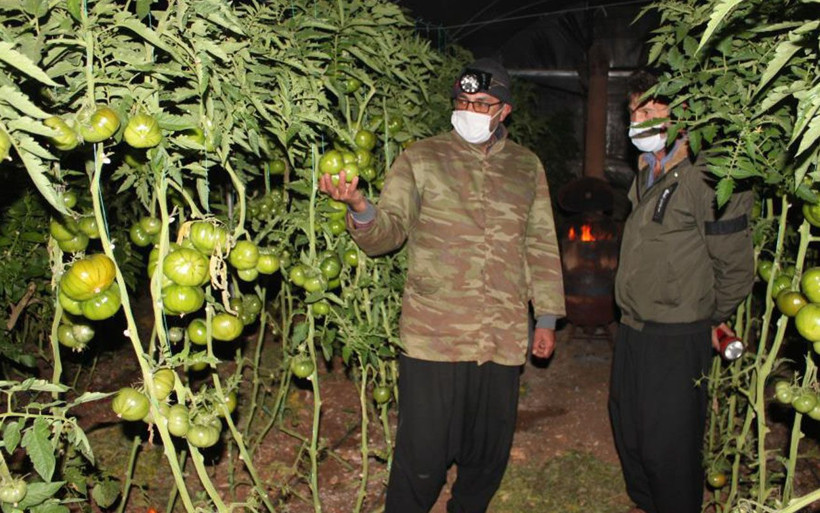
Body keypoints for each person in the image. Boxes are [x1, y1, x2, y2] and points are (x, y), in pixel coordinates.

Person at [318, 58, 565, 513]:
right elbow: (388, 233)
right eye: (463, 102)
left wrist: (546, 318)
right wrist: (359, 207)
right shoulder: (422, 159)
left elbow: (541, 243)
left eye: (482, 103)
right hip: (435, 333)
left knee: (488, 450)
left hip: (502, 333)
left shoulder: (526, 167)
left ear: (504, 111)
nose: (469, 110)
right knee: (423, 454)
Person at [609, 70, 754, 513]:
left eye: (653, 111)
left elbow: (735, 268)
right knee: (629, 430)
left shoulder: (709, 179)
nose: (641, 121)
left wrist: (707, 316)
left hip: (676, 333)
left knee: (668, 446)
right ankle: (645, 503)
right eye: (635, 112)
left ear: (683, 116)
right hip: (634, 325)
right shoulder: (647, 170)